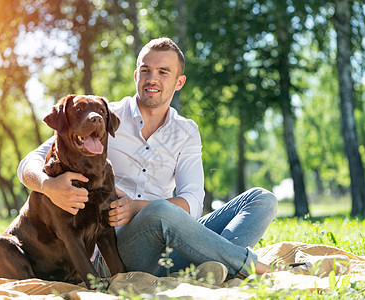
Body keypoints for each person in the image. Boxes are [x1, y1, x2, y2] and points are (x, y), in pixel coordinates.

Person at [17, 37, 278, 280]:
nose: (152, 79)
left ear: (179, 82)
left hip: (172, 241)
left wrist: (136, 207)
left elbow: (193, 202)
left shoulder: (186, 132)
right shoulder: (104, 118)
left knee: (262, 199)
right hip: (116, 249)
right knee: (161, 209)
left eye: (163, 72)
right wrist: (47, 186)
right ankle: (246, 265)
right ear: (136, 75)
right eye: (145, 70)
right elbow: (29, 163)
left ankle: (216, 266)